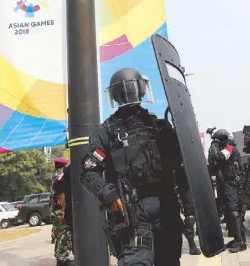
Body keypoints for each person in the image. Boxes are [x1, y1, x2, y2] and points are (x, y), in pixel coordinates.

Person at [80, 68, 189, 266]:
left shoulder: (160, 126)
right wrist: (110, 195)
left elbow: (181, 167)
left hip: (165, 208)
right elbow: (88, 172)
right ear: (142, 89)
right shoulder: (107, 131)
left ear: (113, 95)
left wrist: (190, 208)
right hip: (132, 212)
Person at [207, 129, 246, 253]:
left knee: (234, 212)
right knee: (230, 212)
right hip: (225, 184)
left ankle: (240, 242)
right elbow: (213, 163)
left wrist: (213, 145)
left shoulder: (229, 148)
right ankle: (237, 238)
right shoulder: (225, 148)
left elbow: (218, 157)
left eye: (219, 140)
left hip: (231, 183)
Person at [51, 157, 74, 266]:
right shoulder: (61, 174)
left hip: (55, 210)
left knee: (60, 234)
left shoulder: (56, 174)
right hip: (60, 211)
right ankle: (61, 260)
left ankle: (61, 259)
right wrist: (64, 209)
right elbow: (61, 194)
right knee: (64, 234)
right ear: (64, 165)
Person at [175, 168, 202, 255]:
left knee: (192, 213)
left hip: (190, 179)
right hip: (177, 180)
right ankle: (191, 244)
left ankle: (192, 244)